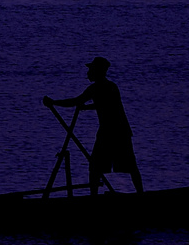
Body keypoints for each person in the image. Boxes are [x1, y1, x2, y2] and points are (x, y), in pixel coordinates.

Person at [43, 57, 142, 193]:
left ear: (98, 71)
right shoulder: (111, 87)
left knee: (98, 166)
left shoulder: (96, 89)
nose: (88, 73)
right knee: (125, 166)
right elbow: (105, 105)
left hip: (113, 133)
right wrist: (86, 107)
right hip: (118, 131)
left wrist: (54, 102)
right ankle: (140, 193)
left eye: (91, 70)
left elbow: (76, 101)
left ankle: (95, 197)